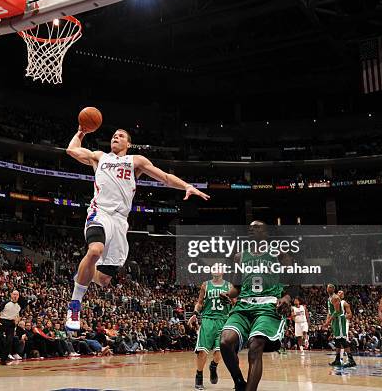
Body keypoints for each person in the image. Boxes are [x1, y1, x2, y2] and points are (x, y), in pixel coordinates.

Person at [64, 126, 209, 330]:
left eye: (121, 135)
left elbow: (165, 177)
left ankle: (82, 275)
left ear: (128, 144)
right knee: (95, 250)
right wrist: (81, 132)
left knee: (104, 280)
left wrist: (186, 186)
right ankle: (74, 305)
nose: (116, 137)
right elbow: (71, 150)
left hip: (120, 221)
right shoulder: (99, 157)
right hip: (100, 213)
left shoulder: (135, 161)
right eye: (114, 135)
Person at [219, 221, 293, 391]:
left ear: (266, 233)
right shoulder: (239, 256)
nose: (252, 229)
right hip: (244, 306)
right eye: (250, 227)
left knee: (255, 345)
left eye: (257, 227)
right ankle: (238, 381)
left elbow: (294, 281)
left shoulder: (279, 254)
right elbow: (236, 287)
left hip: (267, 306)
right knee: (224, 342)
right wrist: (228, 294)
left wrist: (287, 297)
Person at [188, 272, 233, 390]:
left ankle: (213, 366)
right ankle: (199, 376)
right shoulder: (205, 285)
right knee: (202, 351)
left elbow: (235, 302)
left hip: (223, 320)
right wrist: (195, 313)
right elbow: (200, 303)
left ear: (223, 271)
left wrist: (230, 301)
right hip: (208, 320)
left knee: (220, 352)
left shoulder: (229, 286)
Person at [322, 284, 356, 367]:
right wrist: (327, 322)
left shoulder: (336, 298)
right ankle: (337, 360)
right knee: (337, 341)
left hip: (340, 320)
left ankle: (351, 360)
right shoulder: (329, 298)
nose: (328, 289)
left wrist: (328, 321)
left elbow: (337, 311)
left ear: (333, 289)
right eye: (327, 287)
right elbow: (330, 312)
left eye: (330, 287)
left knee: (342, 340)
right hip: (335, 321)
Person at [0, 290, 21, 364]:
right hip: (2, 321)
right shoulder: (5, 303)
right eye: (14, 294)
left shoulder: (19, 305)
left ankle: (3, 359)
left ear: (18, 296)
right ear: (11, 295)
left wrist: (17, 321)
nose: (15, 296)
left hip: (11, 323)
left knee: (9, 341)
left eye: (17, 294)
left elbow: (19, 315)